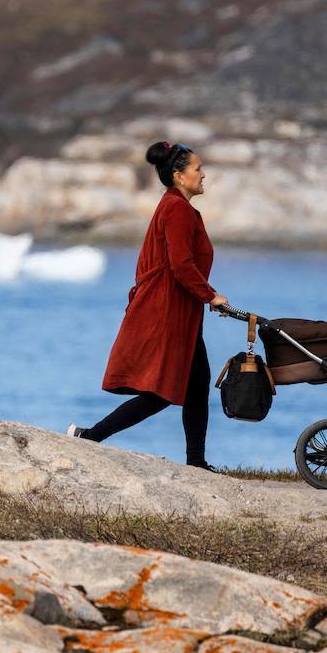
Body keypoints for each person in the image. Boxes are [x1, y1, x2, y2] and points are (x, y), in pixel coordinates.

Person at [66, 141, 229, 470]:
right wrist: (210, 296)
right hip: (168, 310)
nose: (203, 174)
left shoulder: (174, 206)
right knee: (164, 389)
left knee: (196, 384)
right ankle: (89, 436)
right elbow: (182, 264)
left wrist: (203, 297)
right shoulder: (178, 210)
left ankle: (196, 462)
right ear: (179, 176)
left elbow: (180, 266)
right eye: (198, 169)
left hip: (179, 309)